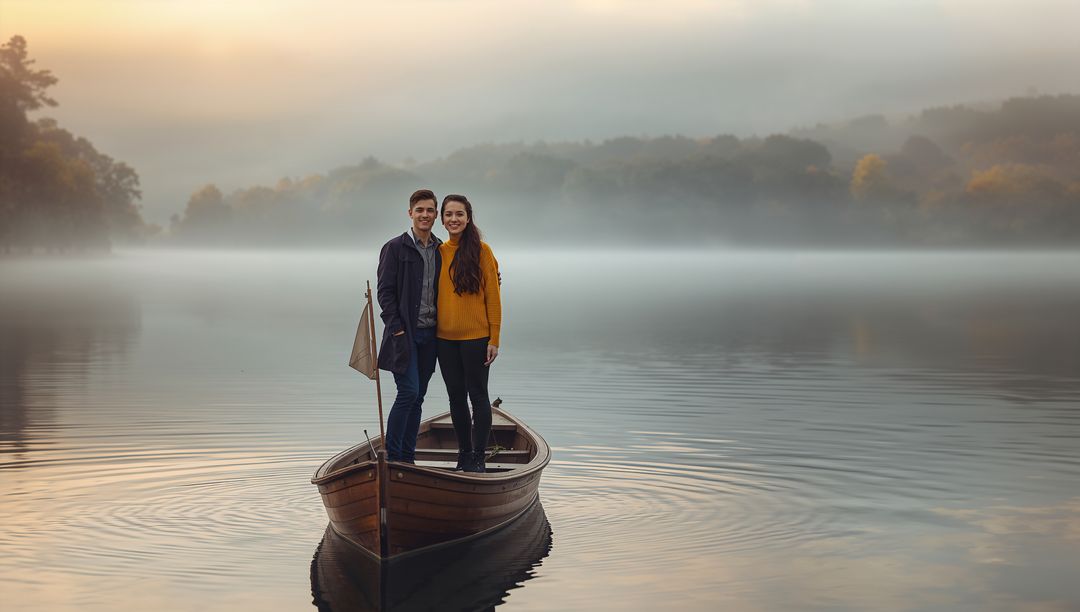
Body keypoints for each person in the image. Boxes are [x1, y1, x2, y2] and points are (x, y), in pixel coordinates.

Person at [436, 194, 502, 473]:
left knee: (478, 396)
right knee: (455, 397)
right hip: (444, 340)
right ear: (442, 219)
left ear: (468, 217)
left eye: (459, 214)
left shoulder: (482, 251)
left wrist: (494, 339)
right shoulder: (437, 252)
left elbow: (494, 297)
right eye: (449, 214)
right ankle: (463, 454)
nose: (454, 219)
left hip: (477, 338)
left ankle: (477, 457)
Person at [376, 189, 441, 464]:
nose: (424, 215)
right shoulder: (395, 247)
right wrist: (397, 328)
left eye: (429, 210)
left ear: (435, 214)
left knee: (419, 397)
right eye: (420, 210)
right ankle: (393, 457)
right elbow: (384, 292)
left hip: (432, 334)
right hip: (404, 335)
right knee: (409, 392)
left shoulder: (442, 249)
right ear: (410, 213)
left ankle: (407, 458)